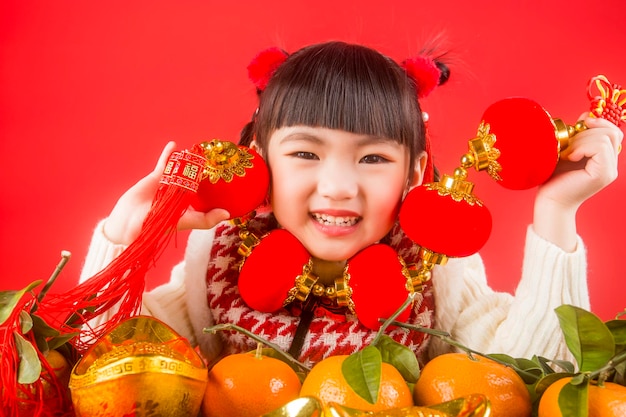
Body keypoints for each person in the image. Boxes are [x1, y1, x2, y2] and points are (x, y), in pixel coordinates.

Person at [79, 41, 623, 368]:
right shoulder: (218, 263)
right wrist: (123, 238)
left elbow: (533, 374)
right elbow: (98, 359)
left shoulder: (437, 273)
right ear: (258, 159)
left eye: (372, 160)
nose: (338, 186)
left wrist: (556, 213)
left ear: (415, 171)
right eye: (305, 153)